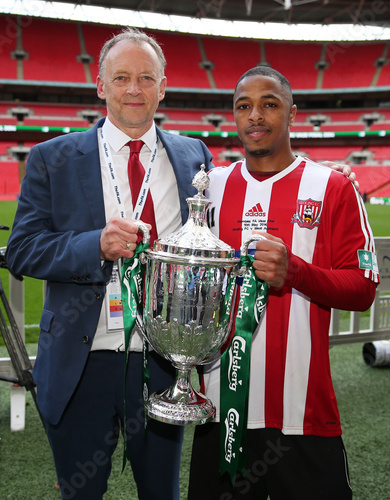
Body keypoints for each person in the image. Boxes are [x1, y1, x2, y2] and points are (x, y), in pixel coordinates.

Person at [5, 28, 213, 500]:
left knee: (162, 492)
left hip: (163, 360)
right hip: (83, 361)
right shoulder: (51, 159)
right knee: (81, 494)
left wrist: (327, 175)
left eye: (146, 78)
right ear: (101, 86)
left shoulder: (194, 155)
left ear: (163, 86)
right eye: (121, 77)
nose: (134, 89)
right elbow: (21, 250)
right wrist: (93, 244)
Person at [187, 67, 379, 500]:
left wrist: (295, 272)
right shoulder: (210, 190)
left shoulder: (332, 187)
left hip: (303, 414)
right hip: (222, 411)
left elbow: (363, 288)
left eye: (269, 104)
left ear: (293, 113)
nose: (255, 115)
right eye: (243, 106)